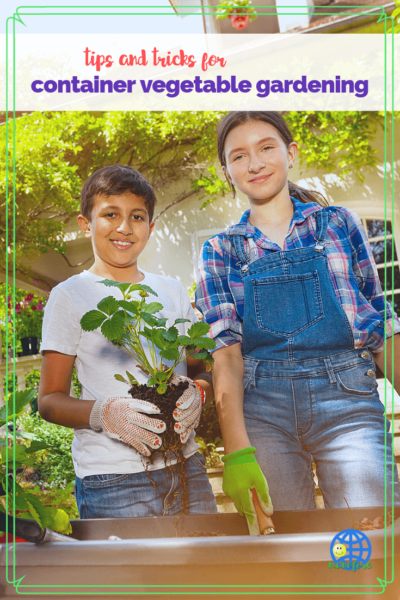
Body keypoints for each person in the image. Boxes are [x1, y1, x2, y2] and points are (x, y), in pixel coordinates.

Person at [195, 111, 400, 534]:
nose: (255, 163)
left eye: (266, 147)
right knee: (287, 549)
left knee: (372, 543)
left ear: (290, 153)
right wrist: (236, 453)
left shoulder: (338, 223)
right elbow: (227, 357)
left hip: (348, 401)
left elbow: (381, 322)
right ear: (227, 172)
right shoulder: (220, 250)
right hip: (262, 410)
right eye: (239, 156)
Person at [38, 164, 218, 519]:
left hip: (187, 469)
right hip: (112, 481)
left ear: (150, 227)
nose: (124, 227)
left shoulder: (171, 290)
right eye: (110, 214)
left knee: (207, 574)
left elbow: (202, 370)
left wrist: (199, 392)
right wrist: (103, 413)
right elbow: (49, 401)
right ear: (85, 224)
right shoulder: (70, 295)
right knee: (132, 577)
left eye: (137, 216)